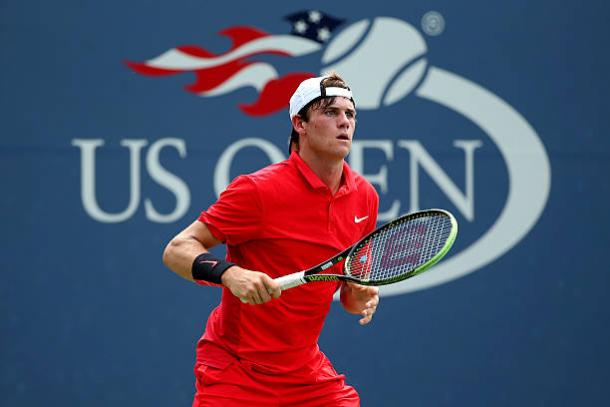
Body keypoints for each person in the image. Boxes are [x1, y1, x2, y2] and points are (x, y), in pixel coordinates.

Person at [163, 72, 380, 407]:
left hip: (305, 375)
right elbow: (177, 249)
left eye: (350, 114)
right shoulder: (258, 190)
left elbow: (349, 297)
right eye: (330, 112)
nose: (344, 122)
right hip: (236, 370)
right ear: (300, 123)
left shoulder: (364, 198)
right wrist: (231, 274)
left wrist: (361, 295)